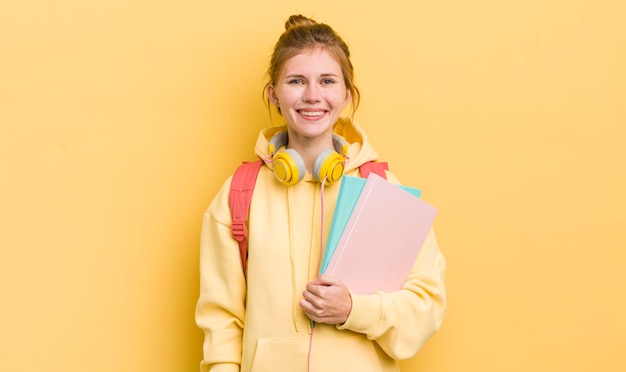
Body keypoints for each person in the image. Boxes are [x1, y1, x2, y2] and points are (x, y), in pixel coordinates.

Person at [195, 14, 446, 372]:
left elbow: (427, 305)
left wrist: (353, 310)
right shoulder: (239, 193)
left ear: (346, 95)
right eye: (296, 81)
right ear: (274, 94)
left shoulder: (383, 190)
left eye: (327, 81)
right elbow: (220, 320)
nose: (312, 96)